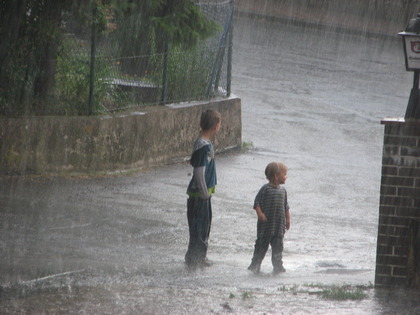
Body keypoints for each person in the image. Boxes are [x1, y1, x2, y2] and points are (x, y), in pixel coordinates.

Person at [185, 109, 221, 270]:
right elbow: (199, 171)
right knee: (201, 227)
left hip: (201, 194)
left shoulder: (202, 143)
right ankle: (196, 258)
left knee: (200, 226)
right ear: (215, 126)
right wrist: (205, 193)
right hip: (200, 195)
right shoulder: (204, 147)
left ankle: (196, 256)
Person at [248, 162, 290, 275]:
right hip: (266, 227)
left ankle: (278, 267)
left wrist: (288, 219)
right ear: (276, 176)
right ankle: (254, 266)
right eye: (284, 174)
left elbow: (286, 207)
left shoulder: (283, 191)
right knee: (261, 247)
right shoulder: (265, 189)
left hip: (278, 227)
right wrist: (260, 213)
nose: (286, 177)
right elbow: (257, 203)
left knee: (278, 248)